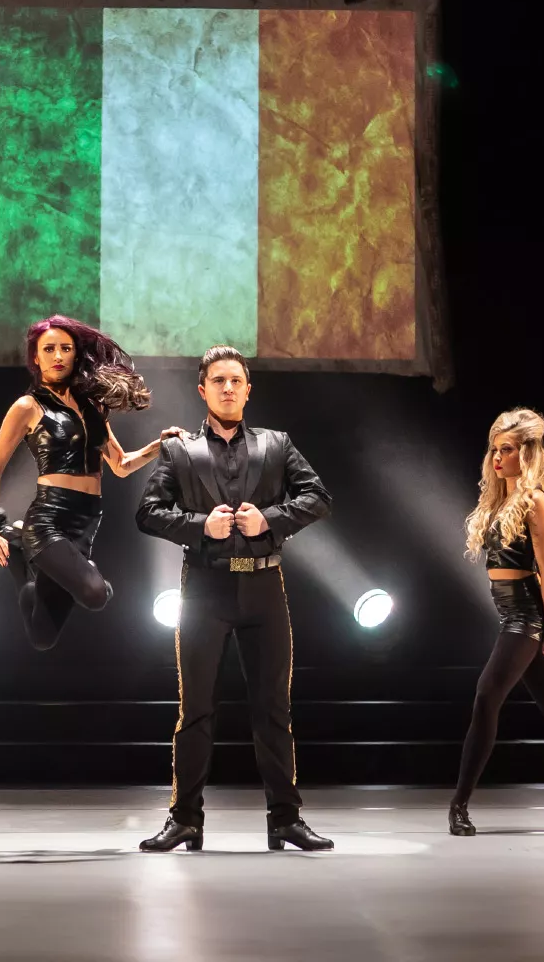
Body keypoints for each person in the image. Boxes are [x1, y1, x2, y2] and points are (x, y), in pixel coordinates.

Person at [135, 346, 335, 852]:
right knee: (196, 708)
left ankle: (286, 820)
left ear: (249, 388)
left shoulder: (276, 444)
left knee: (273, 708)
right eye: (218, 380)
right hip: (204, 589)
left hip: (265, 587)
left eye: (236, 380)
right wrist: (202, 525)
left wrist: (269, 518)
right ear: (202, 390)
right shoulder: (179, 450)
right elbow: (149, 513)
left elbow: (317, 497)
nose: (228, 388)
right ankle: (185, 821)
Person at [448, 409, 544, 835]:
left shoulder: (534, 501)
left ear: (528, 453)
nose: (497, 458)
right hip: (509, 614)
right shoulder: (498, 500)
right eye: (494, 449)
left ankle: (459, 805)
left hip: (526, 617)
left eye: (507, 450)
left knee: (486, 695)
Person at [0, 315, 181, 650]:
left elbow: (121, 465)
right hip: (48, 519)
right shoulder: (27, 407)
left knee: (42, 637)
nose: (57, 355)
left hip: (87, 522)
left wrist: (158, 445)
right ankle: (19, 540)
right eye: (49, 349)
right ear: (35, 357)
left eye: (65, 348)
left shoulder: (94, 405)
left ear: (76, 355)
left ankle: (17, 555)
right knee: (96, 594)